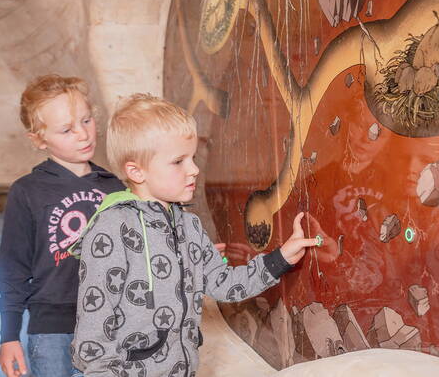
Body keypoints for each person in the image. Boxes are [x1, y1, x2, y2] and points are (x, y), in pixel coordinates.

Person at [69, 93, 318, 377]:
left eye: (193, 158)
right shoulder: (113, 227)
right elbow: (94, 319)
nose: (194, 170)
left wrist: (281, 258)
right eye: (178, 162)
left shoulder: (190, 227)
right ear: (137, 172)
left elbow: (225, 285)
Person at [0, 75, 124, 377]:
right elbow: (12, 269)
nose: (83, 134)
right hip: (51, 331)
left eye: (87, 120)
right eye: (67, 129)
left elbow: (139, 249)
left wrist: (187, 250)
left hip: (112, 327)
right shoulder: (27, 191)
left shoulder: (116, 188)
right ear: (39, 140)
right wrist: (9, 336)